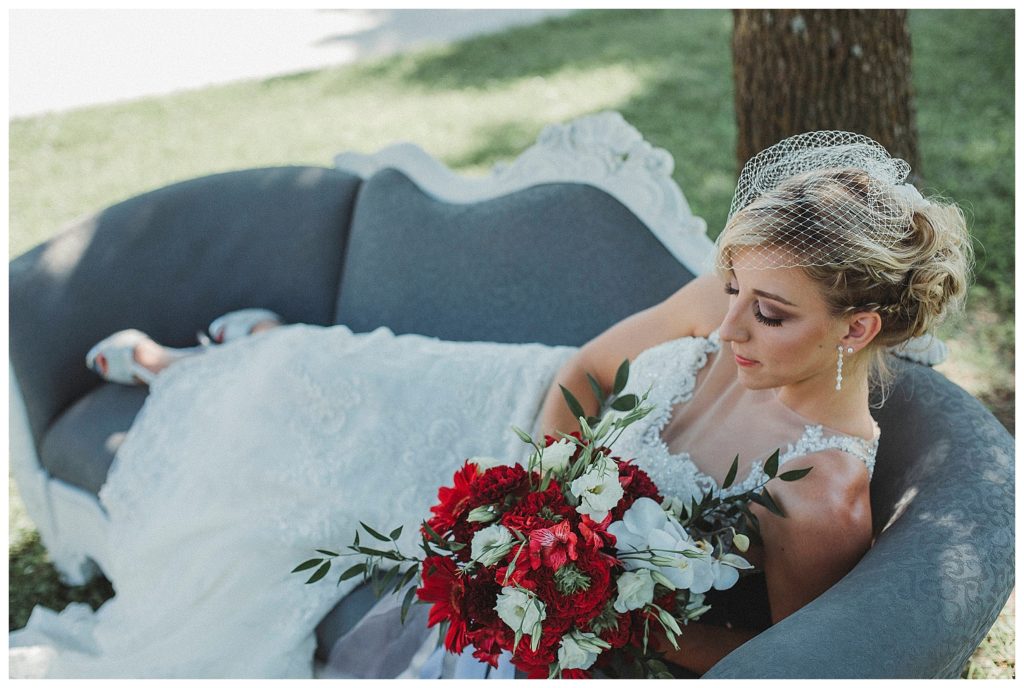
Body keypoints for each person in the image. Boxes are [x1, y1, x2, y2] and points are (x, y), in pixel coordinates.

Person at [9, 131, 972, 678]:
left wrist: (591, 603)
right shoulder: (732, 298)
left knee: (309, 425)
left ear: (856, 329)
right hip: (524, 413)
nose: (725, 331)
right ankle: (211, 359)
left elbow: (772, 660)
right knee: (346, 377)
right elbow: (587, 375)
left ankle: (229, 359)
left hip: (556, 539)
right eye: (731, 292)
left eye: (767, 315)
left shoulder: (820, 492)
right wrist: (536, 486)